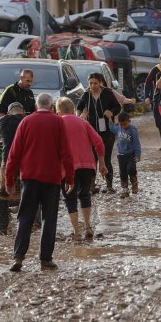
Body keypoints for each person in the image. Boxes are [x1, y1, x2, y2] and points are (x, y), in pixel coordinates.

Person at [5, 93, 73, 272]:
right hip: (52, 178)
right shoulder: (58, 122)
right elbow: (66, 152)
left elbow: (14, 154)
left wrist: (9, 179)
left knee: (25, 217)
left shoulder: (25, 122)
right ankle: (45, 259)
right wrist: (70, 178)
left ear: (36, 106)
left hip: (29, 178)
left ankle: (18, 257)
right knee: (48, 219)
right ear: (51, 107)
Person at [57, 97, 106, 239]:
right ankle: (88, 227)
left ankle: (76, 232)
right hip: (87, 166)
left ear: (58, 111)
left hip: (66, 168)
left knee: (70, 198)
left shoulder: (58, 123)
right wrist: (102, 163)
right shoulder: (83, 123)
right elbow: (99, 142)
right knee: (85, 195)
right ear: (73, 110)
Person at [0, 102, 25, 234]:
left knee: (3, 194)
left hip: (8, 160)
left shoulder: (2, 120)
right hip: (27, 161)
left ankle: (2, 227)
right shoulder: (27, 120)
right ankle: (32, 224)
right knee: (29, 191)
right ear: (22, 112)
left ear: (9, 112)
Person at [77, 72, 121, 193]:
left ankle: (109, 185)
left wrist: (111, 112)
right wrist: (80, 115)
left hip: (107, 131)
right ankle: (92, 186)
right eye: (90, 83)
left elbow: (118, 107)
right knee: (92, 159)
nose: (93, 86)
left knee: (106, 158)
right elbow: (79, 107)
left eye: (95, 83)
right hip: (91, 131)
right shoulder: (86, 95)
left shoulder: (108, 93)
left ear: (100, 83)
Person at [109, 111, 141, 198]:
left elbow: (137, 143)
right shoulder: (118, 128)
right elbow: (111, 128)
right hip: (121, 155)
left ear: (129, 121)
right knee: (122, 173)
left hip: (131, 155)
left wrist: (138, 155)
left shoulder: (132, 129)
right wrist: (109, 118)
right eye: (121, 124)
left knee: (131, 169)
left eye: (125, 124)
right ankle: (125, 190)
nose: (123, 126)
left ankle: (134, 183)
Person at [145, 51, 161, 150]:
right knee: (159, 122)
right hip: (157, 99)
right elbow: (147, 83)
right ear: (160, 60)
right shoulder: (155, 70)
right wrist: (147, 96)